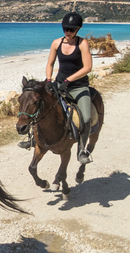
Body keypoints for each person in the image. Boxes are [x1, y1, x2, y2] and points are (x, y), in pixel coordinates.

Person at [44, 12, 94, 164]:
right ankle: (33, 139)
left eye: (71, 29)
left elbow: (88, 68)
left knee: (86, 118)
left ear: (78, 29)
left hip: (79, 87)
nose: (68, 32)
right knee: (42, 108)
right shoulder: (56, 43)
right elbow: (50, 63)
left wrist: (69, 80)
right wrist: (48, 79)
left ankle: (82, 150)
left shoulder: (82, 44)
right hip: (60, 85)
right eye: (65, 28)